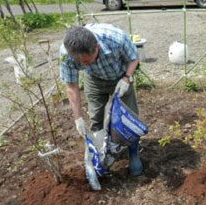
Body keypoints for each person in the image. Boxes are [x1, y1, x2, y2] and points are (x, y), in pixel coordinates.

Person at [59, 23, 143, 176]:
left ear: (97, 47)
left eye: (87, 60)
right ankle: (101, 156)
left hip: (120, 76)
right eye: (80, 63)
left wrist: (127, 78)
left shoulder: (116, 39)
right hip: (94, 79)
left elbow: (134, 57)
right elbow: (72, 86)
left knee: (129, 117)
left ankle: (133, 153)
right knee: (96, 118)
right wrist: (77, 118)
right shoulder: (66, 54)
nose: (84, 64)